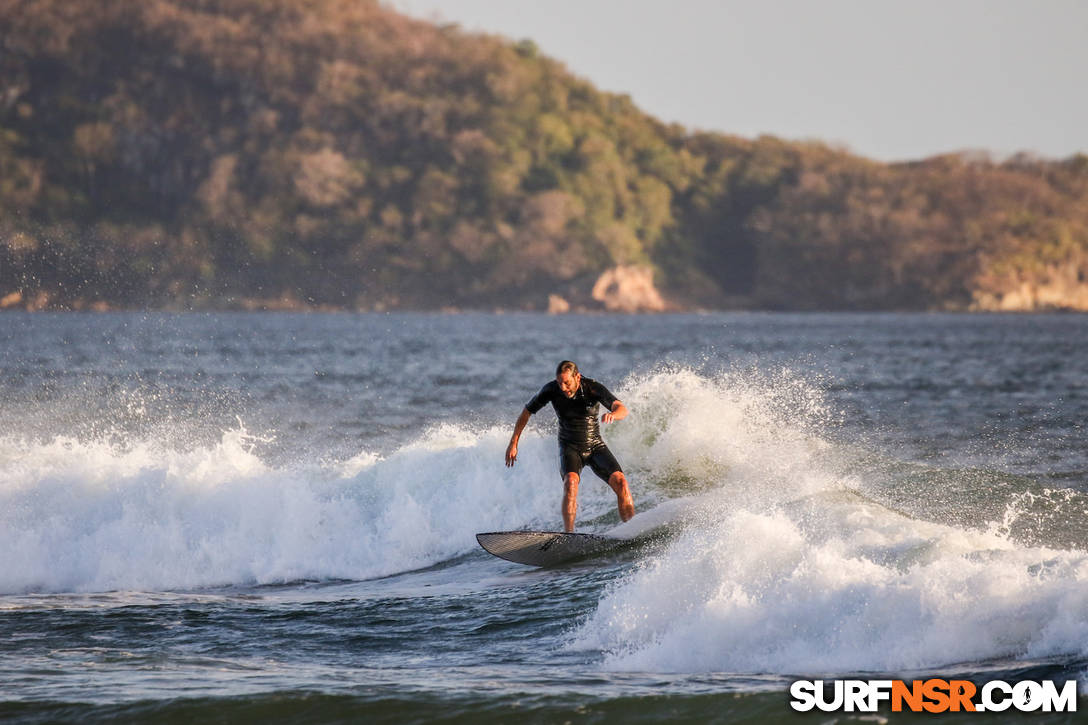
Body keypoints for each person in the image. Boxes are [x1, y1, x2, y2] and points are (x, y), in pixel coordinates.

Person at [505, 360, 635, 532]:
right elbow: (526, 411)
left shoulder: (592, 388)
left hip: (595, 445)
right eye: (560, 383)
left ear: (577, 377)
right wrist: (513, 442)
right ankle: (569, 535)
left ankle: (632, 529)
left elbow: (621, 408)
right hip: (569, 447)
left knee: (621, 482)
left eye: (567, 383)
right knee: (570, 483)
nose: (563, 388)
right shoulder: (551, 390)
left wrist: (614, 415)